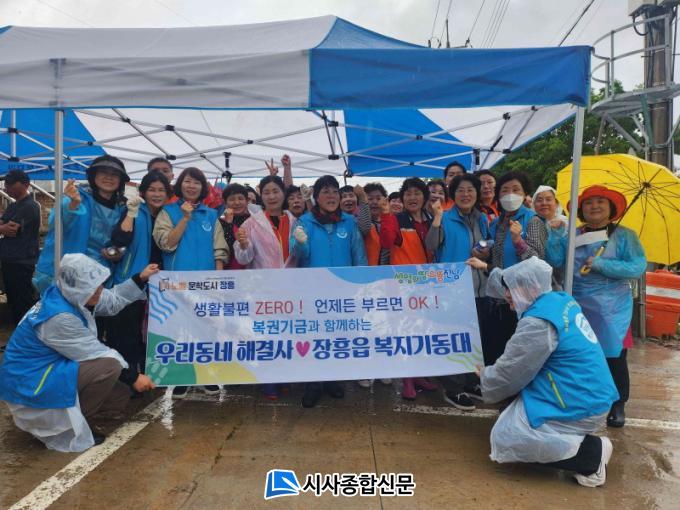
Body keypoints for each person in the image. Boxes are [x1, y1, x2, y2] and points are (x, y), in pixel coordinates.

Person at [479, 257, 619, 487]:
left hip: (580, 403)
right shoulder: (559, 300)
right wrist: (487, 268)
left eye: (512, 289)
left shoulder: (538, 323)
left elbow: (511, 373)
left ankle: (591, 456)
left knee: (507, 436)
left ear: (533, 288)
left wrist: (484, 376)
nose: (507, 294)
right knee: (513, 409)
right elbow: (505, 282)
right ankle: (569, 437)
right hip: (591, 394)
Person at [0, 254, 159, 452]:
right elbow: (97, 353)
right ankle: (66, 427)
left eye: (99, 284)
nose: (99, 290)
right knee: (109, 367)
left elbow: (113, 300)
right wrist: (134, 377)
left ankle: (59, 417)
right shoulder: (59, 317)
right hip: (29, 381)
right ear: (77, 287)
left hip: (43, 370)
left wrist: (140, 278)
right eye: (93, 287)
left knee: (119, 396)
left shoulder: (71, 294)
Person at [545, 185, 646, 428]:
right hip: (577, 304)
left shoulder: (625, 236)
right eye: (589, 202)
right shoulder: (572, 234)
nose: (594, 206)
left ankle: (618, 403)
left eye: (600, 201)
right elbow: (555, 260)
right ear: (581, 209)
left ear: (611, 207)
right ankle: (581, 400)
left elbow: (637, 266)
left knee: (615, 358)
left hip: (613, 309)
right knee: (579, 355)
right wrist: (556, 237)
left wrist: (602, 265)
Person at [290, 175, 367, 408]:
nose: (332, 196)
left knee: (337, 335)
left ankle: (332, 379)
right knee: (314, 337)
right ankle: (313, 384)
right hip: (312, 292)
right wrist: (300, 242)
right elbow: (298, 254)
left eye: (335, 191)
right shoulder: (304, 222)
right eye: (325, 192)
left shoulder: (349, 222)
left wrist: (361, 285)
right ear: (316, 197)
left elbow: (358, 254)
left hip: (342, 292)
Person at [153, 167, 228, 399]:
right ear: (180, 184)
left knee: (206, 329)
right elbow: (166, 243)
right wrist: (184, 218)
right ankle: (181, 378)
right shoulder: (167, 212)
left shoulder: (211, 214)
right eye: (188, 181)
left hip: (207, 285)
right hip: (177, 285)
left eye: (197, 182)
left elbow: (219, 249)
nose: (192, 186)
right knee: (180, 331)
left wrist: (217, 280)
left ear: (203, 187)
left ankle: (206, 375)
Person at [467, 171, 547, 366]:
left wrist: (518, 240)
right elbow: (495, 255)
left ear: (525, 193)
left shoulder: (533, 220)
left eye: (516, 190)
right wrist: (483, 252)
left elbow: (537, 261)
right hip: (498, 297)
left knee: (518, 355)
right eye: (504, 190)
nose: (510, 194)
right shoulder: (496, 222)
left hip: (522, 299)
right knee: (496, 351)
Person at [426, 174, 490, 410]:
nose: (466, 194)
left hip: (479, 288)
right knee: (454, 339)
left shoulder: (482, 219)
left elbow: (488, 244)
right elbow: (431, 245)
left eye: (470, 190)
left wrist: (486, 251)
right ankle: (453, 388)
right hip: (452, 290)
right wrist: (437, 218)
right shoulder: (444, 217)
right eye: (460, 190)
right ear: (453, 194)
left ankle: (472, 382)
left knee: (474, 339)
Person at [107, 171, 171, 378]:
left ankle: (148, 376)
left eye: (161, 190)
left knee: (151, 331)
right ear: (143, 191)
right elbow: (119, 239)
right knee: (127, 332)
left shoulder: (168, 215)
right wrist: (131, 213)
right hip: (132, 279)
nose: (157, 194)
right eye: (152, 189)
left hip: (159, 282)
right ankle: (127, 378)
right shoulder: (135, 209)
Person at [33, 155, 129, 294]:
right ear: (93, 176)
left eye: (114, 174)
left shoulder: (123, 208)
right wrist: (73, 205)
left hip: (99, 277)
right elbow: (56, 223)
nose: (109, 177)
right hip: (66, 273)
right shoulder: (76, 197)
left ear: (120, 181)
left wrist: (118, 253)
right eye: (103, 172)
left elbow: (123, 240)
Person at [379, 177, 438, 400]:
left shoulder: (432, 219)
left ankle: (419, 374)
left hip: (428, 285)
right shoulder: (397, 219)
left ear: (425, 197)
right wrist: (386, 215)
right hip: (403, 286)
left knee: (423, 330)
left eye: (417, 193)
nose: (412, 198)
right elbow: (386, 241)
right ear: (402, 198)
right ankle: (407, 380)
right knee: (405, 331)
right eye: (408, 194)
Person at [356, 181, 392, 389]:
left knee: (384, 327)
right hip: (365, 282)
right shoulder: (361, 223)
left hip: (386, 282)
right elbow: (363, 226)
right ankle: (365, 369)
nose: (374, 202)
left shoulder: (390, 219)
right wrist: (362, 202)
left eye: (378, 198)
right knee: (365, 328)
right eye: (370, 198)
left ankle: (384, 367)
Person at [0, 170, 41, 323]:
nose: (7, 187)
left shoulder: (30, 206)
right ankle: (18, 328)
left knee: (22, 299)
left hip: (21, 260)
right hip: (10, 259)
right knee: (13, 297)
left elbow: (11, 229)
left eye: (11, 184)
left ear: (25, 185)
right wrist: (2, 227)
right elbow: (3, 224)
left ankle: (27, 329)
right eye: (6, 183)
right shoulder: (14, 205)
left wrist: (3, 228)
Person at [532, 185, 568, 288]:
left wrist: (558, 232)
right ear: (534, 204)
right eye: (539, 200)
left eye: (548, 199)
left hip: (562, 280)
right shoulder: (530, 224)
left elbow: (557, 260)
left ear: (556, 203)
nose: (544, 203)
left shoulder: (566, 223)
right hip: (536, 281)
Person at [219, 184, 251, 270]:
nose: (237, 203)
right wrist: (228, 224)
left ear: (247, 201)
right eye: (232, 199)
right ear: (225, 203)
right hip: (228, 271)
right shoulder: (220, 222)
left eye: (240, 198)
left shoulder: (253, 221)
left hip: (252, 270)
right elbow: (225, 249)